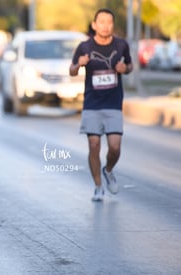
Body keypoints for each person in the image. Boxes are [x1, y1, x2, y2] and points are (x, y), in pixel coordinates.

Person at [69, 8, 133, 201]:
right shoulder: (84, 47)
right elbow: (71, 71)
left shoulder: (121, 45)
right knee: (94, 144)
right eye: (102, 22)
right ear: (95, 25)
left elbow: (129, 65)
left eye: (109, 22)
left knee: (115, 147)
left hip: (113, 103)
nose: (105, 26)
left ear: (112, 25)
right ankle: (98, 186)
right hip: (92, 104)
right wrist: (78, 64)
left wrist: (125, 68)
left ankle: (108, 169)